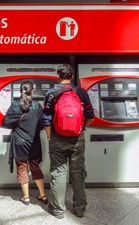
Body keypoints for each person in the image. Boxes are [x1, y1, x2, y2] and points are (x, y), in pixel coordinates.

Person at [42, 64, 94, 219]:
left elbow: (46, 119)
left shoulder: (51, 93)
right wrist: (81, 128)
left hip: (57, 137)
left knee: (58, 173)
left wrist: (50, 137)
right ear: (72, 76)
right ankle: (80, 209)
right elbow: (90, 115)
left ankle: (58, 210)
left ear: (58, 76)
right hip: (77, 137)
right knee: (78, 173)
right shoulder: (81, 92)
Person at [2, 80, 48, 206]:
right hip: (33, 142)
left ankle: (26, 197)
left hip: (19, 143)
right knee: (35, 167)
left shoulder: (15, 105)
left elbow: (5, 123)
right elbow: (41, 125)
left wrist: (17, 124)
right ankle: (43, 195)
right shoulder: (37, 106)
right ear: (32, 91)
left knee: (22, 169)